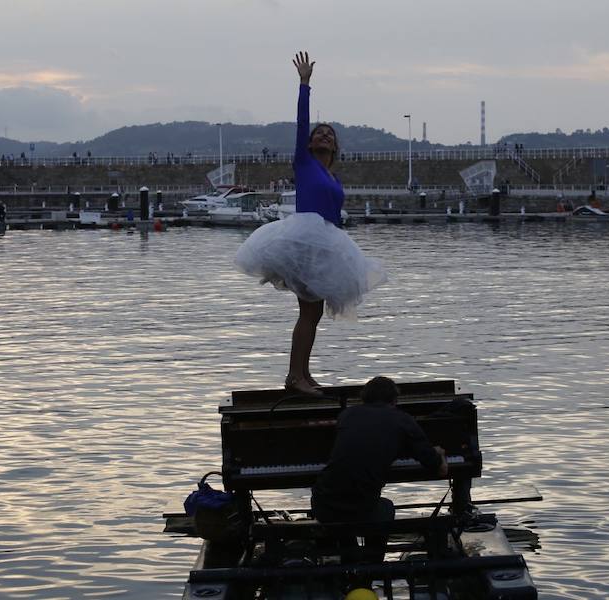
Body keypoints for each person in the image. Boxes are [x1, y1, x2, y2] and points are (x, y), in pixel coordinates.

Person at [235, 51, 387, 396]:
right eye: (319, 134)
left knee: (313, 313)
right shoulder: (303, 163)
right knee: (308, 312)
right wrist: (305, 84)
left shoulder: (332, 175)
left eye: (330, 135)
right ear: (309, 143)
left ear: (335, 147)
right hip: (304, 241)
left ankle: (302, 374)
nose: (324, 136)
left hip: (326, 242)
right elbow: (302, 122)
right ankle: (295, 377)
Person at [311, 376, 448, 563]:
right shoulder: (402, 419)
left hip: (322, 503)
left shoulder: (347, 415)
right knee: (385, 507)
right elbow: (437, 468)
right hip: (360, 507)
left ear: (364, 398)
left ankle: (350, 561)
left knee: (345, 512)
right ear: (395, 400)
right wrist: (439, 454)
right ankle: (373, 565)